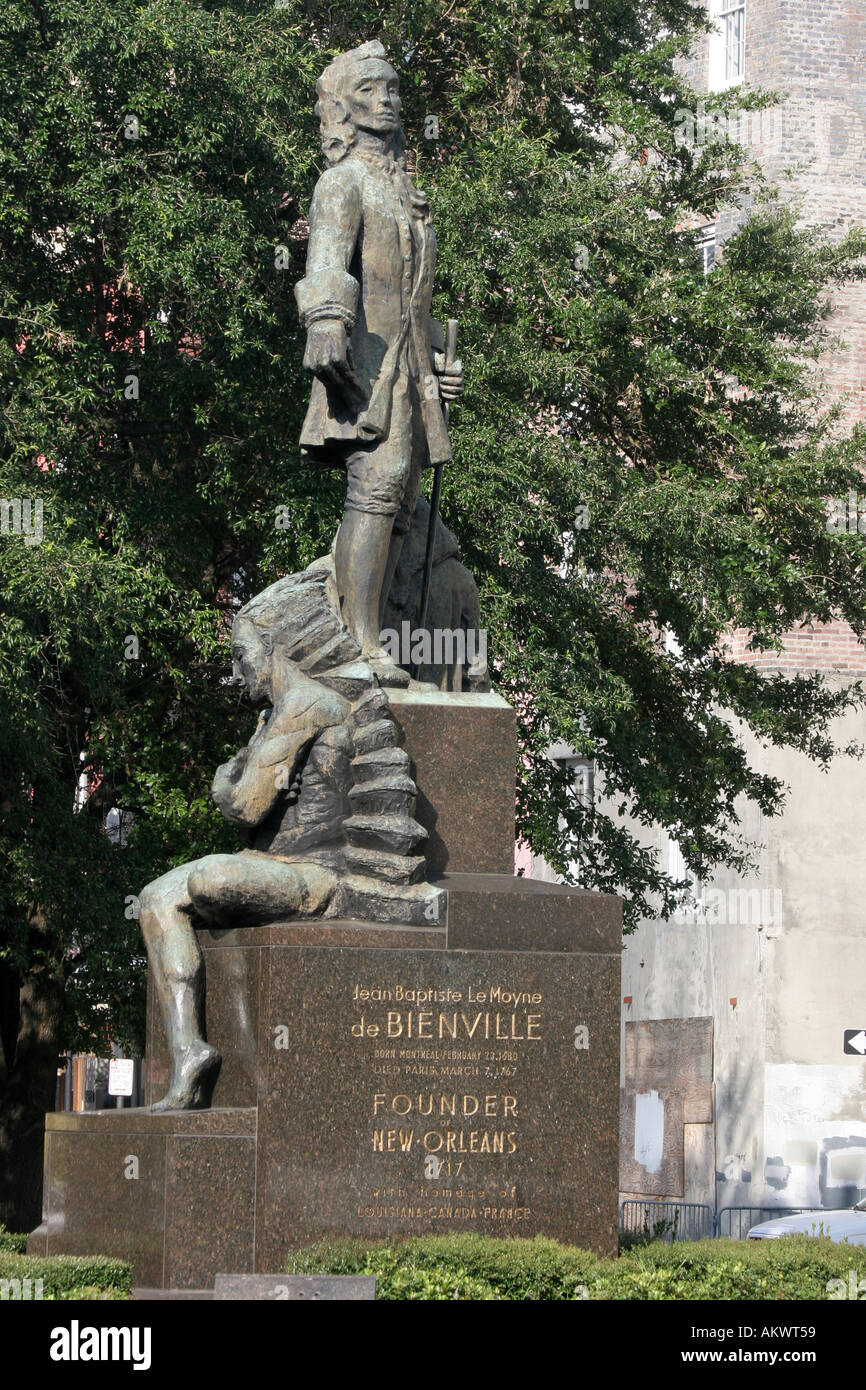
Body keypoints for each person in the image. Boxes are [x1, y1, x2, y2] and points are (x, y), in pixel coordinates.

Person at [138, 606, 352, 1110]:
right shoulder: (272, 717)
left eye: (242, 655)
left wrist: (227, 781)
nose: (237, 672)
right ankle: (189, 1050)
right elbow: (253, 800)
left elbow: (245, 803)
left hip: (311, 872)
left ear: (275, 647)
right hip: (271, 863)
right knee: (154, 898)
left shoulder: (305, 705)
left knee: (209, 877)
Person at [296, 40, 464, 675]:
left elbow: (417, 300)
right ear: (342, 104)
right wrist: (325, 322)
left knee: (400, 501)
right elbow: (324, 265)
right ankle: (359, 641)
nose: (387, 99)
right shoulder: (342, 183)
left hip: (413, 370)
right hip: (367, 364)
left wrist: (442, 366)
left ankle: (374, 633)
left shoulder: (406, 193)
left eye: (393, 88)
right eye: (369, 89)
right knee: (380, 482)